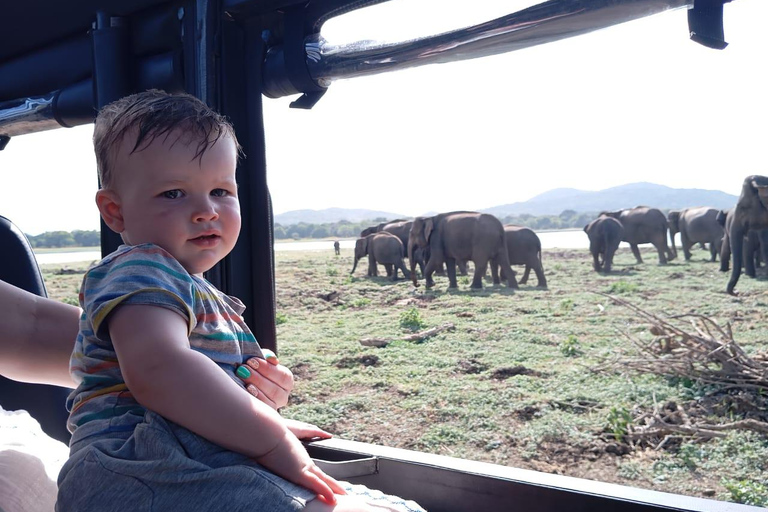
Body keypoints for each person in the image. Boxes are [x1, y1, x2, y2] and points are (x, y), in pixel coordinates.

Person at [51, 90, 424, 512]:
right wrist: (268, 435)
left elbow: (191, 386)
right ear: (115, 212)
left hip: (175, 458)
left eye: (221, 191)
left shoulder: (191, 288)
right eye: (174, 193)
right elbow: (160, 370)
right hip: (136, 461)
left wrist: (250, 406)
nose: (206, 210)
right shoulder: (140, 269)